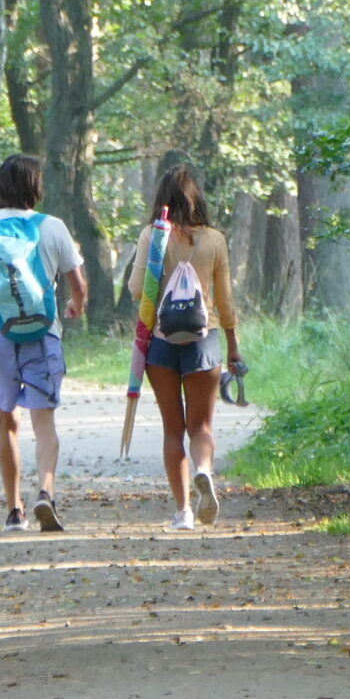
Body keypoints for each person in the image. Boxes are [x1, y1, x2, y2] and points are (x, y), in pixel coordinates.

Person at [0, 154, 89, 530]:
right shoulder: (53, 227)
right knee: (43, 420)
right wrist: (75, 305)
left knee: (7, 418)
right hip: (43, 330)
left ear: (0, 187)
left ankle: (14, 510)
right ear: (36, 187)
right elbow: (78, 284)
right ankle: (45, 492)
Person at [129, 163, 242, 530]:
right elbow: (225, 301)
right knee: (202, 426)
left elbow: (135, 288)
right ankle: (205, 471)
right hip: (204, 340)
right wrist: (233, 345)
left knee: (172, 430)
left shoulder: (152, 235)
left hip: (161, 342)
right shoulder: (214, 239)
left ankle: (183, 513)